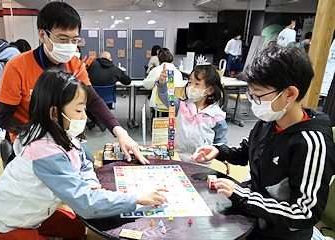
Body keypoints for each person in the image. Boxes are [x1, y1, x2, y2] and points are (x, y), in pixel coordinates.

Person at [0, 69, 168, 240]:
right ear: (54, 112)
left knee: (77, 228)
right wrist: (135, 199)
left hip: (35, 212)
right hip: (4, 225)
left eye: (84, 109)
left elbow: (83, 162)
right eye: (78, 110)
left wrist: (92, 184)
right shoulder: (44, 150)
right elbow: (85, 203)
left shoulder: (61, 132)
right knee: (84, 220)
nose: (84, 117)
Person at [192, 45, 335, 239]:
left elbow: (304, 212)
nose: (253, 102)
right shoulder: (268, 122)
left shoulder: (311, 143)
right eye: (251, 94)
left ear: (290, 94)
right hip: (256, 214)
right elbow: (247, 151)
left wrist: (244, 197)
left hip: (281, 231)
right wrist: (219, 150)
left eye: (258, 95)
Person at [0, 2, 149, 164]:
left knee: (88, 165)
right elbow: (3, 116)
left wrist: (120, 131)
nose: (69, 46)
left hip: (63, 137)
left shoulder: (73, 64)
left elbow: (93, 100)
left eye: (74, 39)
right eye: (62, 38)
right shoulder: (16, 67)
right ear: (42, 35)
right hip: (30, 140)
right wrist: (38, 133)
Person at [157, 63, 228, 168]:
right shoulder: (182, 105)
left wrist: (224, 156)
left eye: (197, 84)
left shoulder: (216, 115)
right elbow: (166, 97)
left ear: (210, 90)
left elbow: (220, 139)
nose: (191, 87)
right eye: (190, 82)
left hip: (201, 161)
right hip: (177, 156)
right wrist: (162, 83)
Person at [86, 51, 131, 131]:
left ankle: (95, 121)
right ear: (110, 60)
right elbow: (127, 81)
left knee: (87, 107)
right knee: (102, 106)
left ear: (99, 58)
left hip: (90, 102)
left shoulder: (90, 67)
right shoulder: (115, 70)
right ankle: (100, 121)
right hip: (107, 103)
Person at [143, 48, 183, 117]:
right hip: (174, 106)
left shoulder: (156, 70)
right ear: (172, 60)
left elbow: (147, 85)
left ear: (159, 60)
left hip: (158, 105)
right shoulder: (178, 73)